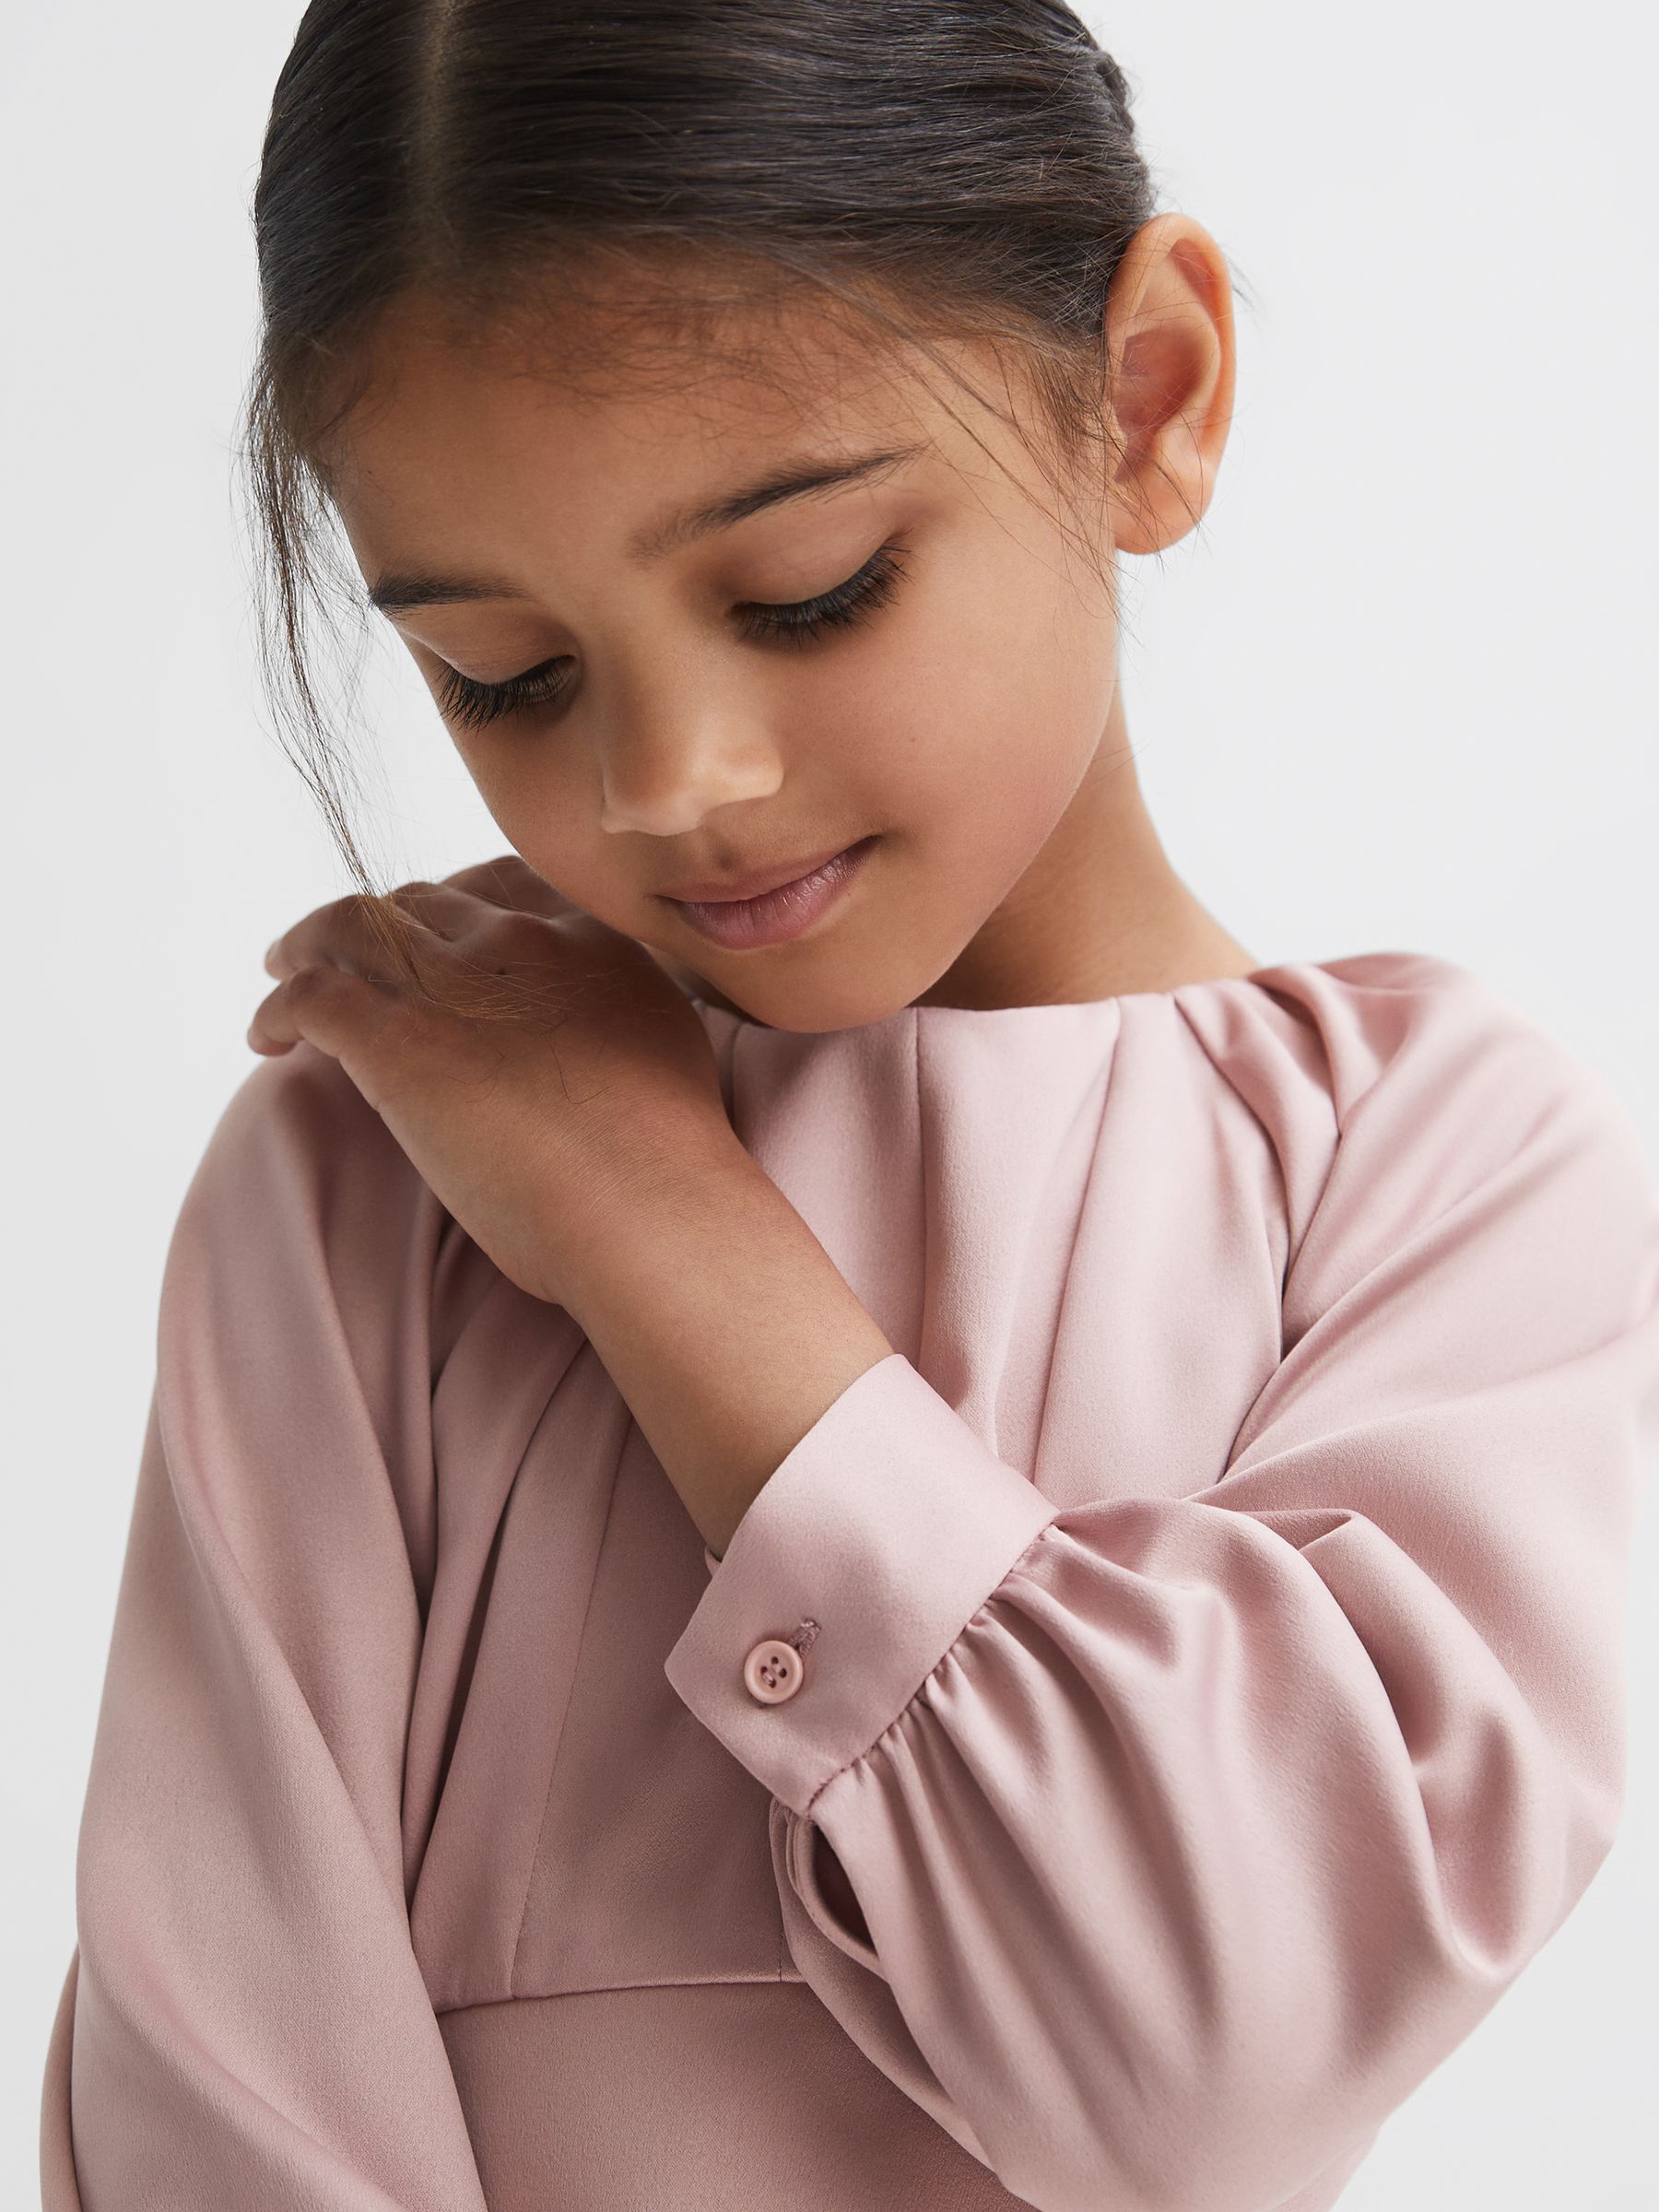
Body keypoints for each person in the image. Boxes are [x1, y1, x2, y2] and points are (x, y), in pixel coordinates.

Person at [40, 5, 1659, 2208]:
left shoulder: (1441, 1170)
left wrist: (659, 1236)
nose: (664, 786)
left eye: (808, 590)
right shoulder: (372, 1171)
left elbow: (1215, 2064)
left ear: (1146, 400)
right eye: (503, 674)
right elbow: (208, 2121)